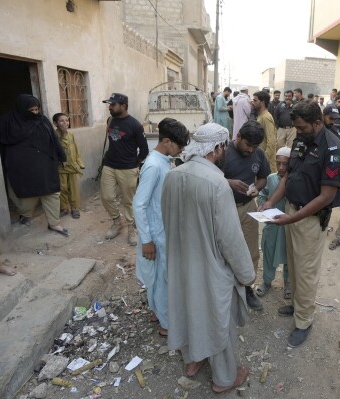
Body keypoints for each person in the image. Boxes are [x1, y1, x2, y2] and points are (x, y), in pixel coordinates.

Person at [162, 123, 254, 394]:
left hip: (180, 261)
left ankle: (193, 360)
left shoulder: (173, 175)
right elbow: (229, 238)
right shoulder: (216, 183)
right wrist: (246, 274)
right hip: (209, 265)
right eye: (223, 146)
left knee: (188, 309)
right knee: (217, 318)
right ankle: (225, 378)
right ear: (217, 148)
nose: (225, 151)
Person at [258, 101, 340, 348]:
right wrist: (272, 203)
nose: (298, 131)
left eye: (302, 127)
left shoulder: (333, 149)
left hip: (308, 219)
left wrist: (291, 218)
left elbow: (326, 196)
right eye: (295, 127)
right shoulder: (299, 141)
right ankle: (297, 306)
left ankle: (304, 321)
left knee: (306, 272)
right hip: (291, 211)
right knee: (294, 264)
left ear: (317, 123)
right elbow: (288, 177)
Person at [134, 118, 189, 337]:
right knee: (163, 278)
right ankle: (166, 324)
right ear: (167, 141)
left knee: (159, 275)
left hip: (162, 228)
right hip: (156, 232)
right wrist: (146, 240)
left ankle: (157, 312)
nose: (181, 150)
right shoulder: (153, 166)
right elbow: (139, 205)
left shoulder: (164, 160)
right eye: (179, 146)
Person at [0, 94, 69, 236]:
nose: (35, 113)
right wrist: (4, 164)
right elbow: (1, 146)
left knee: (52, 193)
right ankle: (25, 215)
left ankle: (54, 224)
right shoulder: (6, 123)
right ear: (22, 109)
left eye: (37, 109)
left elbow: (54, 139)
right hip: (22, 167)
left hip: (45, 164)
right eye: (32, 110)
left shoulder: (42, 120)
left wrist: (62, 156)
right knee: (25, 194)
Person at [223, 120, 271, 311]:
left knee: (251, 250)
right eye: (248, 145)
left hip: (248, 207)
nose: (251, 150)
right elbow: (208, 179)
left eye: (255, 146)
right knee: (224, 250)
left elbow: (263, 178)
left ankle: (247, 289)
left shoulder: (258, 154)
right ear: (239, 137)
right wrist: (228, 183)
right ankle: (226, 290)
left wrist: (256, 189)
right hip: (225, 208)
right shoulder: (223, 153)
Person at [100, 93, 149, 246]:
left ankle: (131, 228)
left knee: (129, 201)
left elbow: (144, 149)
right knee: (107, 197)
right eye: (109, 104)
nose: (110, 107)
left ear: (123, 106)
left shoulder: (135, 125)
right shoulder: (111, 120)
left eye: (112, 105)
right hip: (109, 165)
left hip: (128, 168)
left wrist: (135, 163)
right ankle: (116, 222)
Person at [256, 146, 291, 299]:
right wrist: (262, 204)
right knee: (269, 251)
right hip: (272, 224)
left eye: (285, 164)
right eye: (278, 163)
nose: (281, 167)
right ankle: (267, 281)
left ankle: (288, 283)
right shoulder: (271, 179)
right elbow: (263, 194)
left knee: (289, 254)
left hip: (288, 225)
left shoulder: (294, 180)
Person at [53, 113, 85, 219]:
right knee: (62, 188)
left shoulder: (71, 135)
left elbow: (76, 150)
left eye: (67, 120)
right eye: (61, 121)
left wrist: (79, 162)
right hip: (60, 168)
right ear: (55, 123)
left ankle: (75, 208)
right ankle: (64, 208)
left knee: (74, 188)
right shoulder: (54, 136)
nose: (65, 123)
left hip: (72, 166)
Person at [252, 91, 277, 172]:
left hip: (266, 162)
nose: (253, 103)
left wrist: (264, 158)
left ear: (262, 102)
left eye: (255, 100)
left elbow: (272, 140)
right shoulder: (261, 115)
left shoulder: (266, 117)